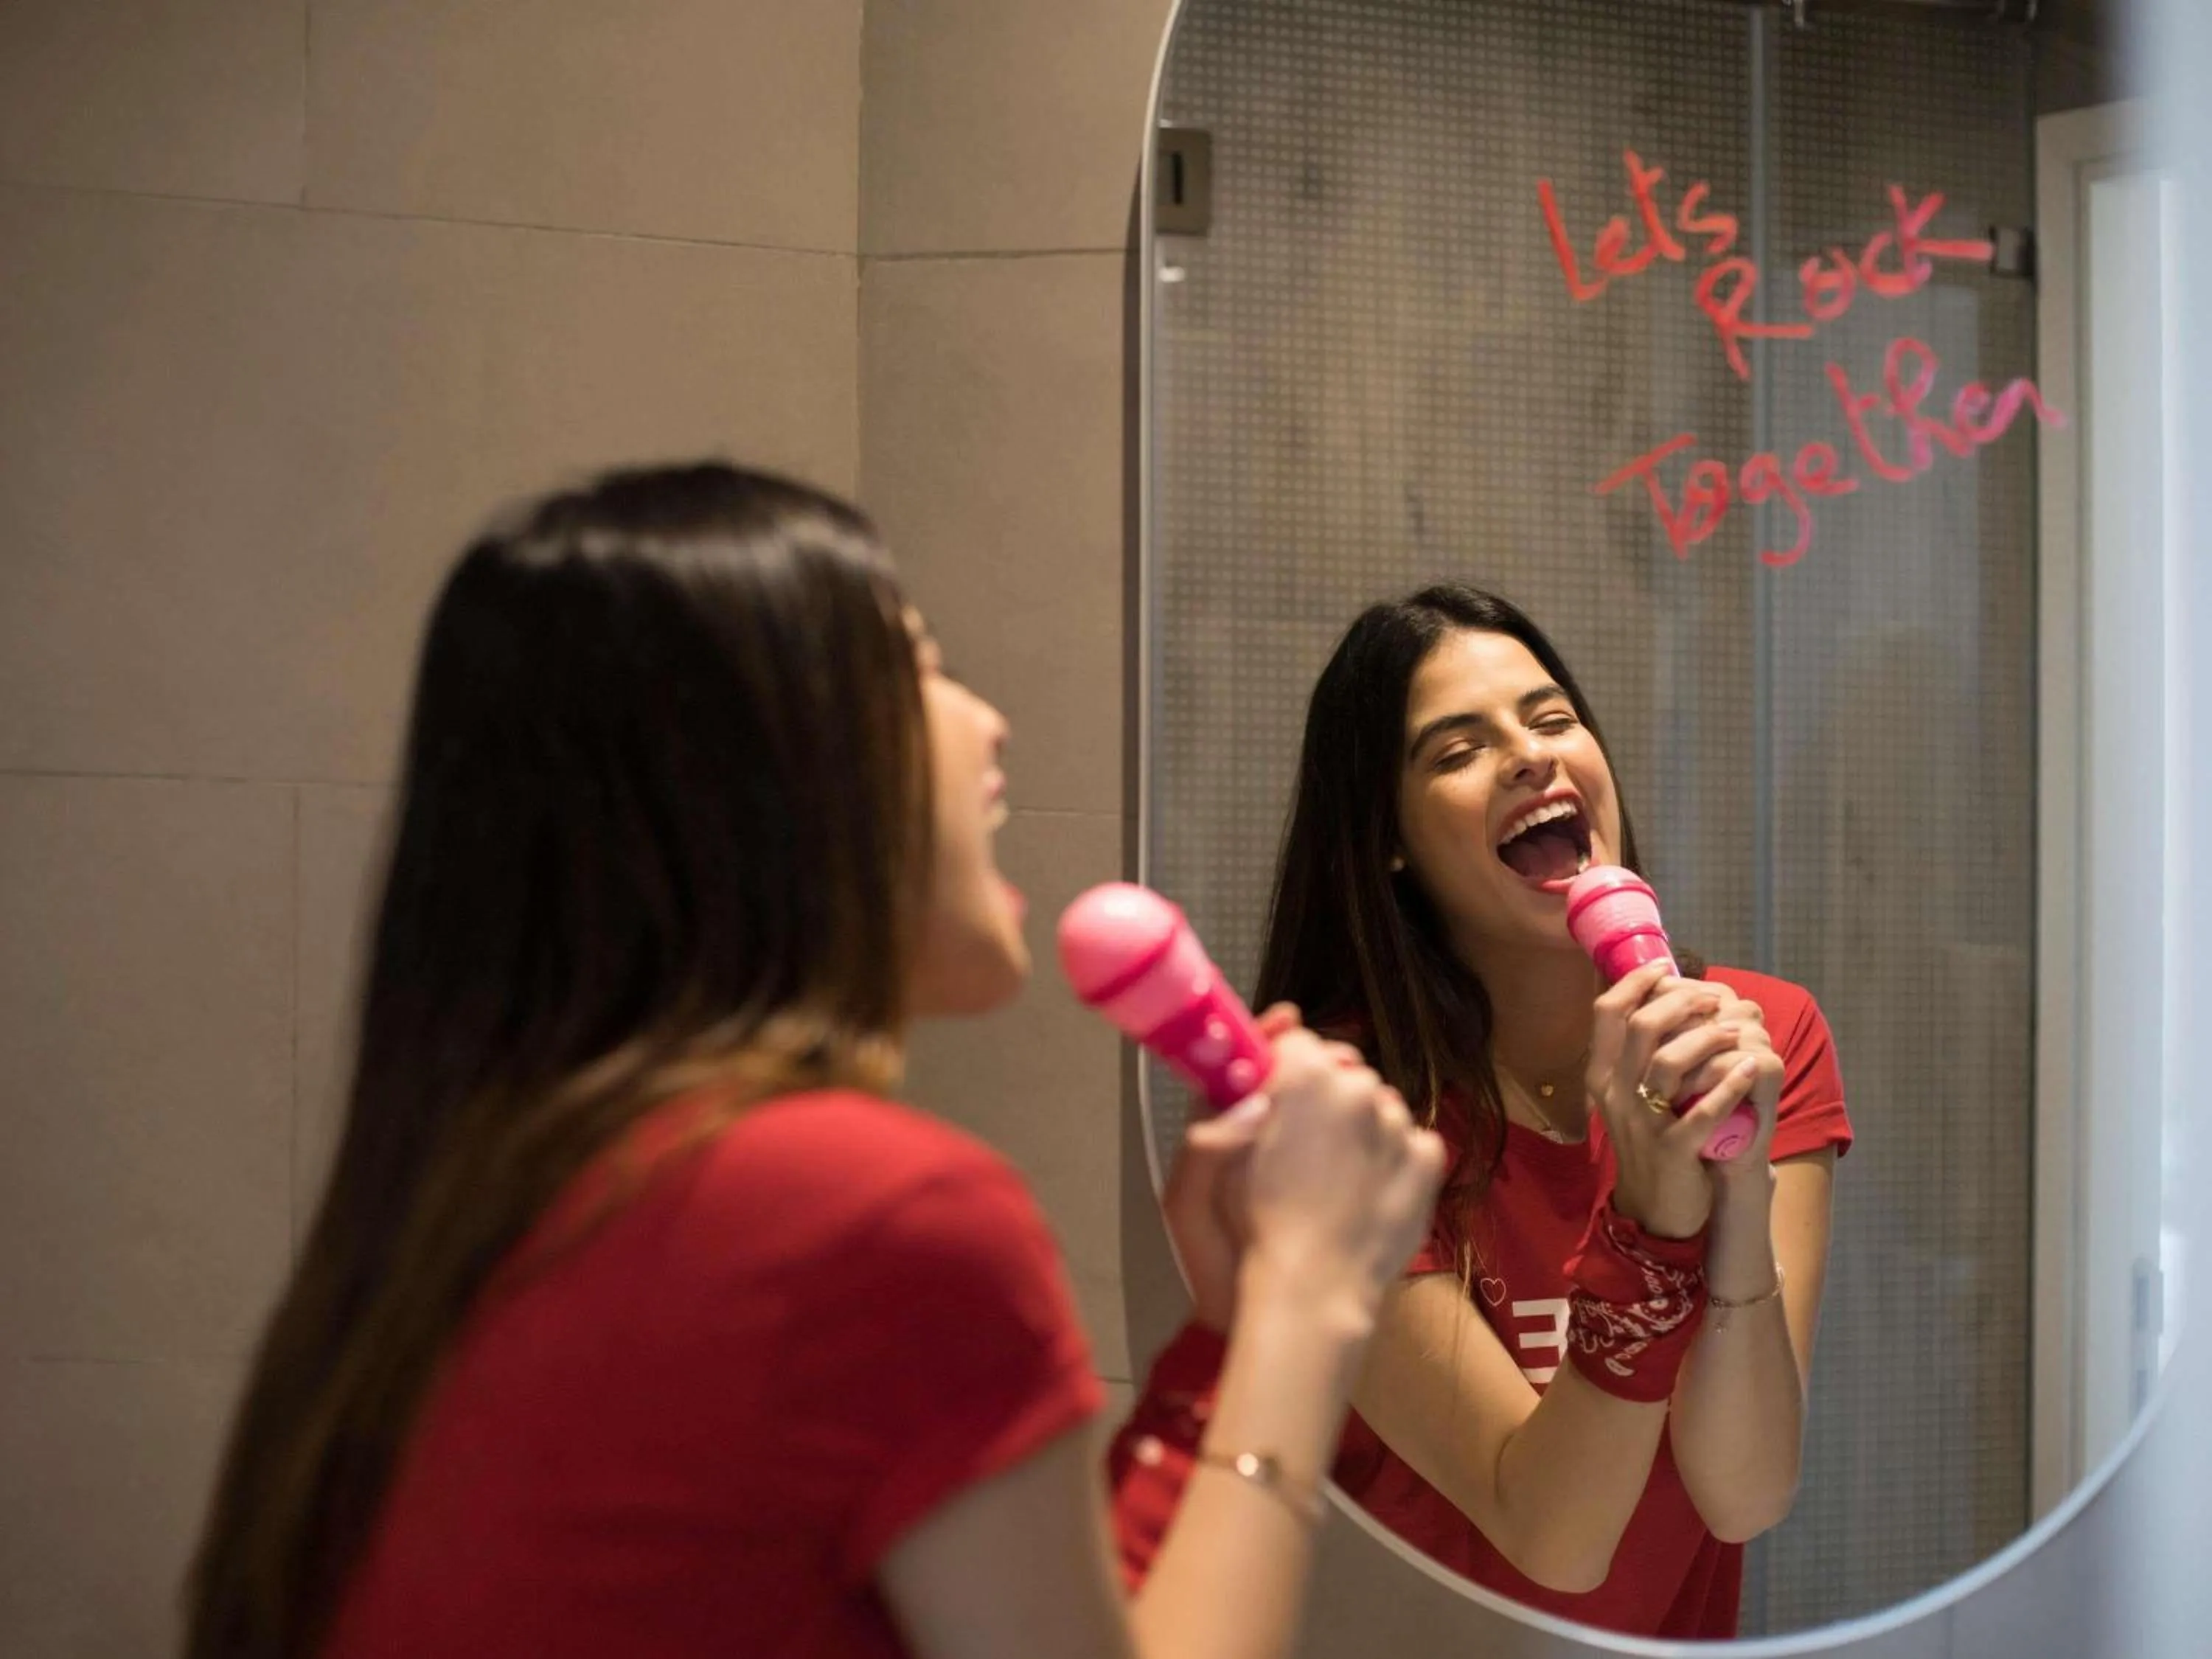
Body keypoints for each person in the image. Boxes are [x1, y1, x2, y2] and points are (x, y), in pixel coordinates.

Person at [180, 462, 1445, 1659]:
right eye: (919, 667)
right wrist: (1311, 1304)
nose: (991, 723)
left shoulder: (484, 1203)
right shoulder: (869, 1209)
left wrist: (1223, 1342)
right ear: (758, 780)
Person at [1113, 582, 1850, 1638]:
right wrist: (1650, 1229)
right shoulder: (1348, 1112)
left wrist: (1737, 1198)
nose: (1530, 755)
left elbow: (1746, 1493)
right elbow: (1556, 1532)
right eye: (1457, 750)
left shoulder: (1760, 1037)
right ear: (1390, 843)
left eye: (1552, 719)